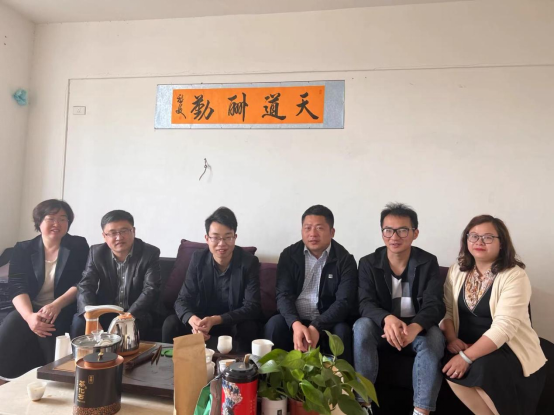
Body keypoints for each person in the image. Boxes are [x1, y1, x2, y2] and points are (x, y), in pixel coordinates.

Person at [441, 215, 546, 415]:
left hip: (507, 346)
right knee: (448, 367)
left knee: (483, 369)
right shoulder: (457, 271)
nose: (479, 242)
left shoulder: (514, 275)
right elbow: (446, 310)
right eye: (473, 236)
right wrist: (452, 339)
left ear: (501, 243)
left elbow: (504, 327)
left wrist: (466, 357)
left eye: (488, 237)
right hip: (465, 343)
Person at [353, 203, 445, 415]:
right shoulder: (368, 263)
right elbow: (364, 302)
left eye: (402, 230)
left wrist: (415, 327)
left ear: (415, 233)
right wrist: (387, 318)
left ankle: (421, 411)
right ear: (382, 233)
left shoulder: (428, 262)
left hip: (417, 327)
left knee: (434, 337)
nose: (394, 237)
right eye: (388, 230)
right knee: (361, 326)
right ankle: (363, 405)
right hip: (383, 327)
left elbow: (434, 304)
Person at [0, 200, 89, 378]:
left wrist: (56, 305)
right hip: (30, 306)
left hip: (63, 307)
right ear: (39, 222)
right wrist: (29, 317)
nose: (57, 223)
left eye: (63, 219)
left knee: (49, 330)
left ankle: (56, 379)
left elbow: (83, 281)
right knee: (12, 326)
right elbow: (16, 286)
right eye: (51, 218)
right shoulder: (23, 248)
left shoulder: (78, 245)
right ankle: (6, 380)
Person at [264, 205, 357, 364]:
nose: (312, 234)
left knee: (341, 331)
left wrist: (316, 326)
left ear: (332, 232)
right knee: (274, 325)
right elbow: (283, 295)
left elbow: (344, 302)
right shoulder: (289, 255)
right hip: (295, 319)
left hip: (327, 322)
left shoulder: (345, 260)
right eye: (307, 228)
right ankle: (270, 378)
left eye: (319, 228)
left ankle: (339, 380)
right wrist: (295, 324)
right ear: (302, 231)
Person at [162, 207, 261, 352]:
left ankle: (241, 366)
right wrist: (193, 321)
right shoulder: (198, 259)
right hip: (202, 321)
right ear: (207, 239)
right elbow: (182, 300)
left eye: (227, 237)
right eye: (215, 237)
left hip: (232, 322)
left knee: (248, 327)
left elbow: (252, 307)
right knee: (171, 323)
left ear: (235, 237)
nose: (221, 244)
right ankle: (168, 365)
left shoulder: (248, 262)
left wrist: (216, 320)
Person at [71, 210, 160, 338]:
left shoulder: (149, 253)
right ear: (104, 236)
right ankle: (80, 352)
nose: (119, 237)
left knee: (136, 327)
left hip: (136, 312)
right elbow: (86, 285)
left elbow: (151, 289)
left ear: (133, 231)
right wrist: (90, 316)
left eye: (124, 231)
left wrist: (127, 316)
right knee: (79, 322)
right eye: (112, 233)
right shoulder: (96, 253)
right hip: (106, 311)